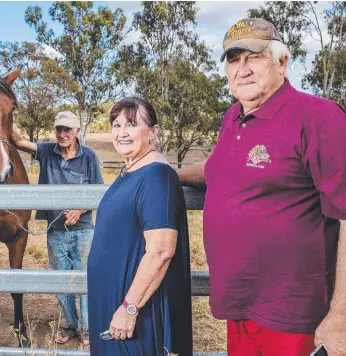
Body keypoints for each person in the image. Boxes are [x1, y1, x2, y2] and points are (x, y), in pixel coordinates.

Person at [178, 18, 346, 356]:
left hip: (295, 316)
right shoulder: (233, 117)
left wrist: (341, 317)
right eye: (233, 59)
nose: (242, 69)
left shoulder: (318, 117)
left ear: (282, 62)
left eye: (254, 57)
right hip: (239, 305)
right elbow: (217, 170)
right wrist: (166, 173)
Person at [87, 97, 193, 355]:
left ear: (153, 132)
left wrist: (129, 308)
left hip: (136, 311)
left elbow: (161, 251)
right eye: (116, 124)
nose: (122, 132)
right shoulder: (130, 170)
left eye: (131, 124)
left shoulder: (157, 176)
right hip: (114, 304)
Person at [11, 111, 103, 350]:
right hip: (56, 232)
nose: (62, 134)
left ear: (77, 132)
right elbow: (19, 142)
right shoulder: (46, 152)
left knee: (83, 281)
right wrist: (4, 114)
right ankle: (71, 325)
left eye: (67, 130)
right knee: (61, 283)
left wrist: (80, 210)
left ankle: (87, 331)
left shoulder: (89, 157)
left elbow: (99, 193)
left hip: (83, 231)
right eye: (59, 129)